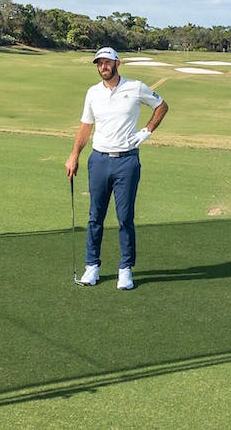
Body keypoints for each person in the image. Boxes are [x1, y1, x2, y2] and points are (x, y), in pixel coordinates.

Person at [65, 47, 168, 290]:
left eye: (107, 62)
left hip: (127, 162)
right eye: (99, 63)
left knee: (125, 218)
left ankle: (125, 269)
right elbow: (85, 126)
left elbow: (162, 106)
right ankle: (92, 267)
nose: (103, 66)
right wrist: (74, 155)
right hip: (99, 160)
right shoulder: (92, 93)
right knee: (95, 217)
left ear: (117, 63)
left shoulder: (136, 87)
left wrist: (146, 132)